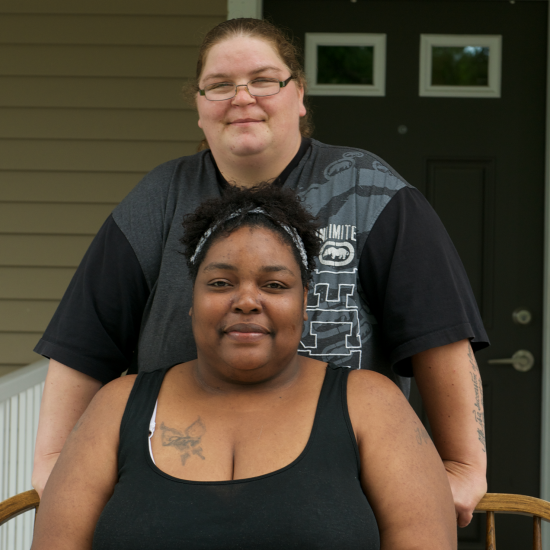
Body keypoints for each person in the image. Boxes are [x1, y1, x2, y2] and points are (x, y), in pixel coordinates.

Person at [32, 18, 489, 527]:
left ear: (299, 97)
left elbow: (440, 334)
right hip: (177, 487)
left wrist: (462, 465)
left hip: (342, 500)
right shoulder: (158, 199)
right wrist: (54, 463)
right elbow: (83, 341)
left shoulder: (374, 194)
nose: (242, 97)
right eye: (220, 85)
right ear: (200, 108)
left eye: (264, 80)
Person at [31, 186, 456, 550]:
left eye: (274, 285)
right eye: (220, 283)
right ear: (191, 301)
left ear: (305, 302)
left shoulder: (371, 405)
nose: (247, 300)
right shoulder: (117, 408)